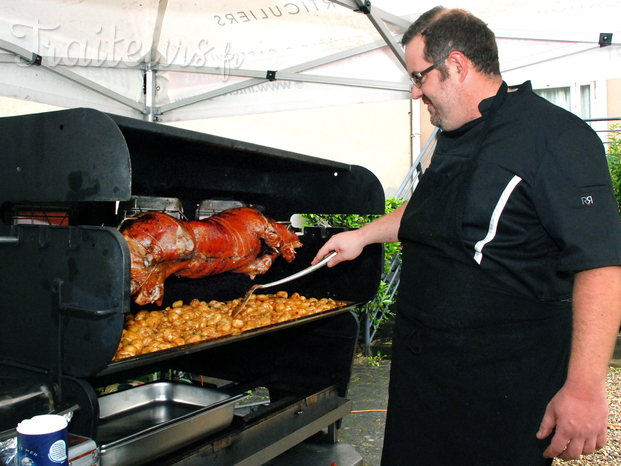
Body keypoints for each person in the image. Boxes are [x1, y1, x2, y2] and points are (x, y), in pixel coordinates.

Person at [312, 6, 621, 465]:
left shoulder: (557, 138)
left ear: (456, 65)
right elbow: (431, 211)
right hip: (423, 378)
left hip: (501, 392)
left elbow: (599, 266)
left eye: (419, 77)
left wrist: (583, 389)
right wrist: (363, 235)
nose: (416, 92)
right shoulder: (452, 134)